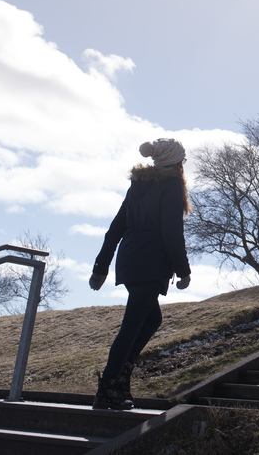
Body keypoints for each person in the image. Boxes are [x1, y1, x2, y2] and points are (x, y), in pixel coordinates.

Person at [89, 139, 192, 410]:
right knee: (132, 326)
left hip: (131, 259)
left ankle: (120, 379)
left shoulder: (139, 185)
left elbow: (116, 227)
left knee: (150, 320)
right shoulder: (171, 186)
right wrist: (183, 271)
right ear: (176, 163)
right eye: (182, 161)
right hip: (151, 262)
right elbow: (172, 232)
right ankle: (109, 388)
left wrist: (101, 266)